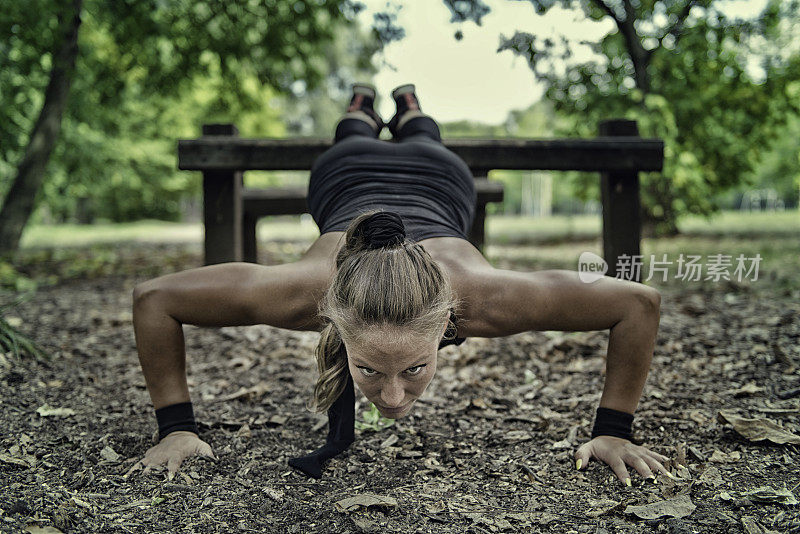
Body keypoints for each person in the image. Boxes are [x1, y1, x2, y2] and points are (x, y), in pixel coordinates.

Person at [125, 83, 670, 485]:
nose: (392, 397)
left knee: (421, 137)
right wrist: (174, 426)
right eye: (367, 369)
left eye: (414, 369)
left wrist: (614, 430)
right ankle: (365, 108)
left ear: (449, 319)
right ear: (334, 317)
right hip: (347, 172)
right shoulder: (303, 292)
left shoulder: (488, 299)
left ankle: (406, 109)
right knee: (354, 137)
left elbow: (639, 305)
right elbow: (155, 301)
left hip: (440, 176)